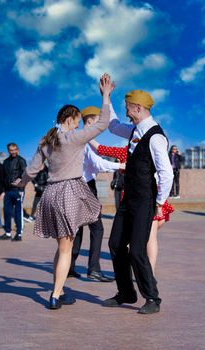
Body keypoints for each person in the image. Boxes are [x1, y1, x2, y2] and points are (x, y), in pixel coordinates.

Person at [14, 74, 114, 310]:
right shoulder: (73, 138)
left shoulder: (46, 140)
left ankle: (57, 290)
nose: (79, 125)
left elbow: (32, 170)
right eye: (78, 120)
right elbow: (103, 123)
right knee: (66, 248)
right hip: (69, 193)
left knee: (61, 247)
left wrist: (21, 183)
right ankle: (56, 295)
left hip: (50, 194)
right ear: (70, 119)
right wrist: (106, 96)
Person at [103, 90, 173, 314]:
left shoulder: (155, 137)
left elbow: (166, 173)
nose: (125, 110)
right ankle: (126, 293)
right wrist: (106, 97)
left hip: (145, 199)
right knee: (115, 244)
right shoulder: (135, 130)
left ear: (138, 108)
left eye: (127, 106)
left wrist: (160, 202)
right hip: (129, 198)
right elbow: (113, 126)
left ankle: (152, 297)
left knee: (137, 251)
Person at [89, 140, 174, 275]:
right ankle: (148, 272)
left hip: (136, 197)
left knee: (135, 236)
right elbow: (167, 175)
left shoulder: (127, 151)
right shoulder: (156, 150)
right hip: (155, 196)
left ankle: (141, 273)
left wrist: (87, 135)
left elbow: (101, 149)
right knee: (149, 236)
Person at [68, 106, 125, 282]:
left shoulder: (77, 139)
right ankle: (93, 268)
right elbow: (98, 164)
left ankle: (69, 266)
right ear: (90, 122)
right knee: (97, 228)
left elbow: (92, 164)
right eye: (98, 123)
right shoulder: (85, 140)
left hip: (75, 185)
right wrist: (120, 166)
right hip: (86, 187)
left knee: (77, 228)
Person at [0, 143, 27, 241]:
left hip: (18, 190)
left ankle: (19, 234)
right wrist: (2, 191)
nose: (13, 151)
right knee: (7, 212)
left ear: (17, 149)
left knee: (18, 213)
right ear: (8, 151)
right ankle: (8, 233)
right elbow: (2, 178)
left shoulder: (21, 160)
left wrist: (21, 189)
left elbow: (25, 175)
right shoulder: (5, 162)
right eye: (11, 150)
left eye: (14, 149)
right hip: (7, 191)